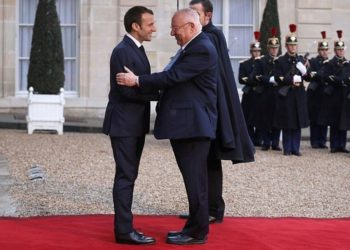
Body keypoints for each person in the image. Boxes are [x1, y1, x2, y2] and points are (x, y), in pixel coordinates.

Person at [117, 8, 218, 245]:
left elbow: (173, 77)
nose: (172, 33)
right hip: (188, 125)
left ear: (192, 27)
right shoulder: (193, 46)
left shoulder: (201, 47)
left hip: (193, 126)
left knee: (195, 181)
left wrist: (137, 80)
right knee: (194, 180)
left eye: (176, 28)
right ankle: (194, 227)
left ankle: (197, 232)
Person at [186, 0, 255, 224]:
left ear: (208, 15)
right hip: (209, 107)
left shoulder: (210, 36)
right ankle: (205, 208)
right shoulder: (204, 35)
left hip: (212, 108)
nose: (193, 17)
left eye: (196, 13)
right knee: (204, 160)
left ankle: (212, 209)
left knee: (210, 159)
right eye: (190, 13)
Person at [102, 6, 158, 245]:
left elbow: (139, 84)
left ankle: (125, 226)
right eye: (150, 24)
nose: (154, 28)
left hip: (134, 123)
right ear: (136, 26)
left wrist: (148, 87)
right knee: (125, 175)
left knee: (129, 175)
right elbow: (126, 92)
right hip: (124, 123)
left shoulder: (137, 49)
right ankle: (124, 231)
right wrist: (160, 94)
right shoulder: (123, 51)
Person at [273, 24, 309, 156]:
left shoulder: (301, 60)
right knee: (288, 122)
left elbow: (309, 77)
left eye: (294, 45)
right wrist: (291, 80)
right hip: (287, 95)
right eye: (290, 45)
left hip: (298, 95)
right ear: (287, 46)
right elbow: (277, 78)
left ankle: (296, 148)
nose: (293, 47)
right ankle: (287, 148)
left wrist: (305, 71)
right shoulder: (281, 61)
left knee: (298, 122)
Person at [318, 30, 349, 153]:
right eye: (338, 49)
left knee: (344, 122)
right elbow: (326, 77)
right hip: (334, 95)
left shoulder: (347, 64)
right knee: (335, 121)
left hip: (344, 95)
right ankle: (334, 145)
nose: (341, 51)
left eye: (342, 50)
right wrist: (339, 80)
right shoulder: (330, 63)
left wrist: (341, 80)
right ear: (335, 50)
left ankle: (342, 144)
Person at [252, 27, 282, 151]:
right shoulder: (261, 61)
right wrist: (268, 79)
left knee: (277, 118)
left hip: (278, 93)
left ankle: (275, 142)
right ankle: (266, 142)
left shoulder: (281, 61)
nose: (274, 50)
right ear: (268, 48)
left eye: (276, 48)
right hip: (265, 92)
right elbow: (256, 76)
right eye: (272, 48)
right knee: (265, 119)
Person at [305, 31, 329, 149]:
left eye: (326, 49)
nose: (324, 52)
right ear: (319, 50)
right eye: (322, 49)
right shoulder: (313, 61)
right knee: (314, 119)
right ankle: (314, 141)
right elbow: (310, 75)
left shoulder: (330, 63)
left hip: (325, 93)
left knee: (323, 118)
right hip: (315, 94)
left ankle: (323, 141)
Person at [239, 31, 263, 147]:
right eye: (254, 51)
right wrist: (253, 79)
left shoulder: (263, 63)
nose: (256, 53)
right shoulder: (245, 64)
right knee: (247, 119)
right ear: (251, 52)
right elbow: (241, 79)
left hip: (260, 94)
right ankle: (249, 140)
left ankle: (258, 140)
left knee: (259, 117)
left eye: (258, 51)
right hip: (249, 95)